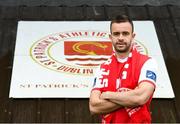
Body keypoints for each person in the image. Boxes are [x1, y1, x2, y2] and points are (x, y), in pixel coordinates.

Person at [89, 15, 158, 123]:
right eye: (116, 34)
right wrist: (130, 97)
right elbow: (94, 107)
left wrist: (108, 95)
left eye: (125, 33)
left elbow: (141, 97)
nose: (120, 38)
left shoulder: (147, 62)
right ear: (110, 37)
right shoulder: (102, 68)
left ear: (133, 36)